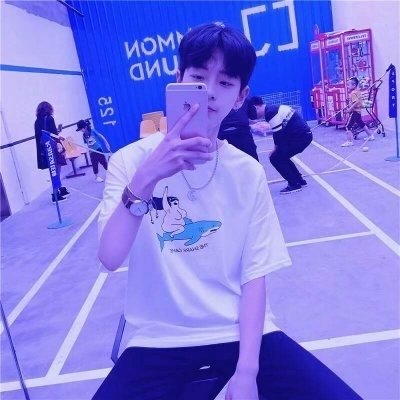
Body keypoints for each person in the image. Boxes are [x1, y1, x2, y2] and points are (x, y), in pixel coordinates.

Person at [94, 23, 362, 400]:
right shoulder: (129, 162)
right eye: (198, 77)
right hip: (159, 338)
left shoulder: (247, 172)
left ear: (240, 96)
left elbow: (254, 276)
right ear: (178, 78)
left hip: (242, 333)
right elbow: (109, 257)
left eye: (224, 82)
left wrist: (247, 372)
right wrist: (147, 176)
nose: (209, 92)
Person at [249, 96, 313, 194]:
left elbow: (278, 135)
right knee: (281, 156)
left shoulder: (270, 113)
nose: (254, 116)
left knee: (275, 158)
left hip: (301, 138)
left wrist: (274, 149)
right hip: (302, 136)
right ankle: (299, 180)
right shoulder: (272, 108)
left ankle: (294, 184)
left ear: (255, 107)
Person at [34, 101, 70, 203]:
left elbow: (41, 136)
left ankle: (59, 189)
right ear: (49, 109)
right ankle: (55, 194)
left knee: (53, 170)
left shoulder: (37, 121)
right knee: (56, 170)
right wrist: (61, 147)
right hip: (53, 148)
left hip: (44, 150)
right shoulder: (49, 118)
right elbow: (54, 134)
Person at [341, 76, 375, 147]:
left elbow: (356, 102)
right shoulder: (358, 91)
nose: (347, 86)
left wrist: (349, 109)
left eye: (349, 85)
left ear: (354, 85)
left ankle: (349, 141)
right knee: (361, 124)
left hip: (355, 112)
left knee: (348, 126)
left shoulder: (353, 93)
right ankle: (370, 136)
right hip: (358, 112)